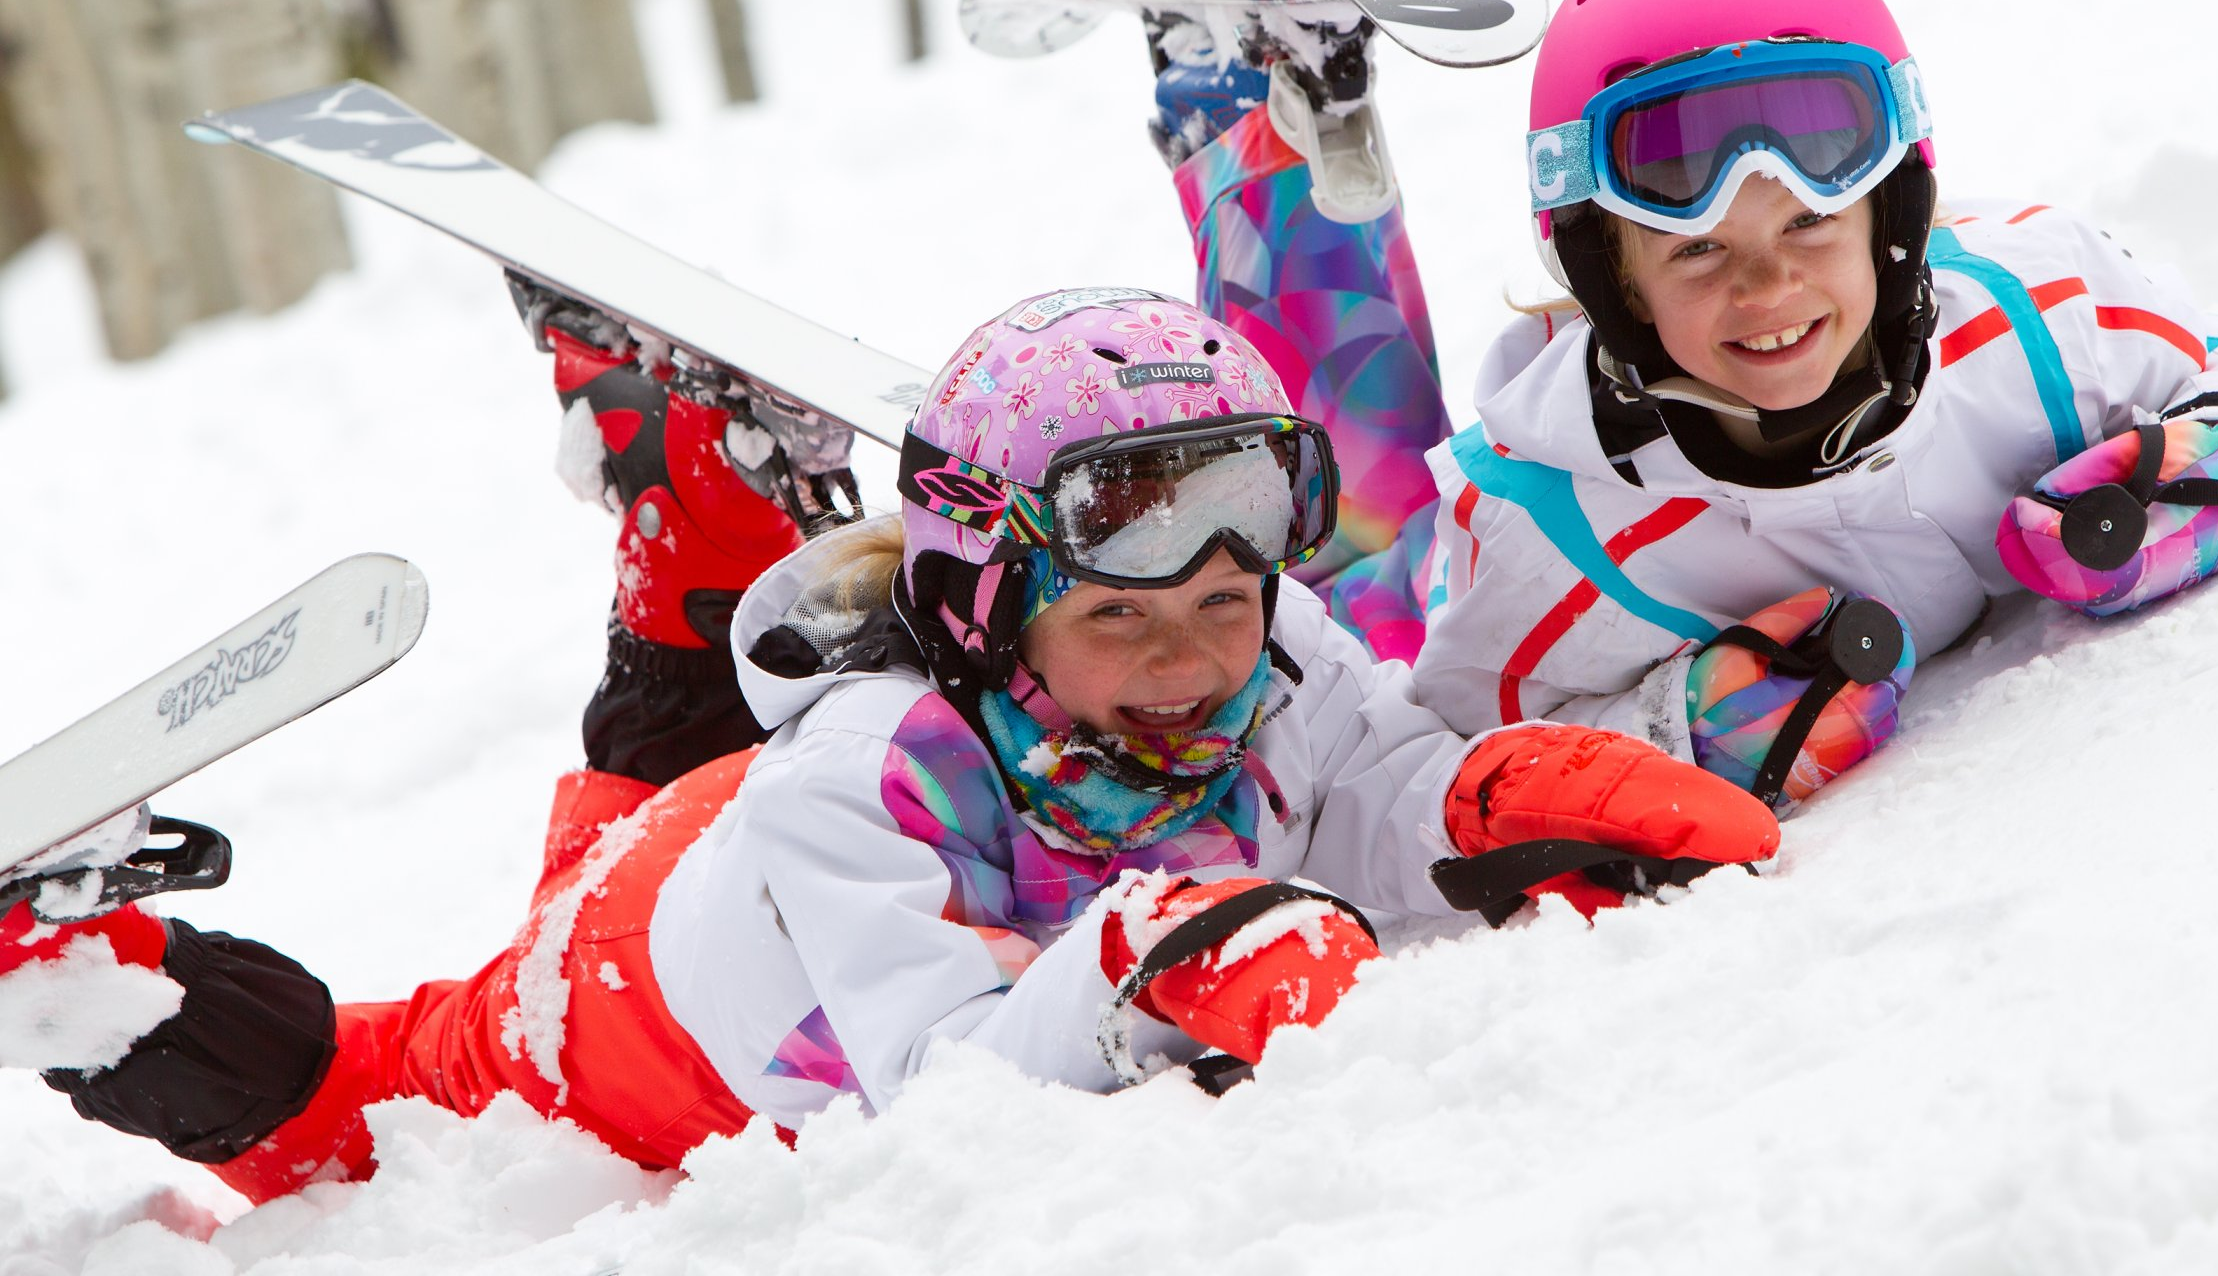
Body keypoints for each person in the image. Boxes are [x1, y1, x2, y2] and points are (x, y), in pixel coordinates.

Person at [0, 290, 1781, 1202]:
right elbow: (948, 1079)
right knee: (392, 1087)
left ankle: (686, 486)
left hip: (725, 833)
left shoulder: (1267, 643)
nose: (1189, 669)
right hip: (626, 1004)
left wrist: (1479, 803)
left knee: (676, 768)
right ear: (995, 605)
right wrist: (1152, 950)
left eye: (1225, 610)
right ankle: (78, 972)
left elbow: (1364, 781)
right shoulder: (870, 784)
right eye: (1120, 623)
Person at [1403, 0, 2218, 803]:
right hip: (1425, 565)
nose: (1767, 289)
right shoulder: (1551, 538)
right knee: (1377, 554)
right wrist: (1680, 726)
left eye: (1809, 223)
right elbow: (1464, 758)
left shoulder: (2037, 315)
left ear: (1892, 217)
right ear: (1617, 289)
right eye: (1698, 250)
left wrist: (2208, 470)